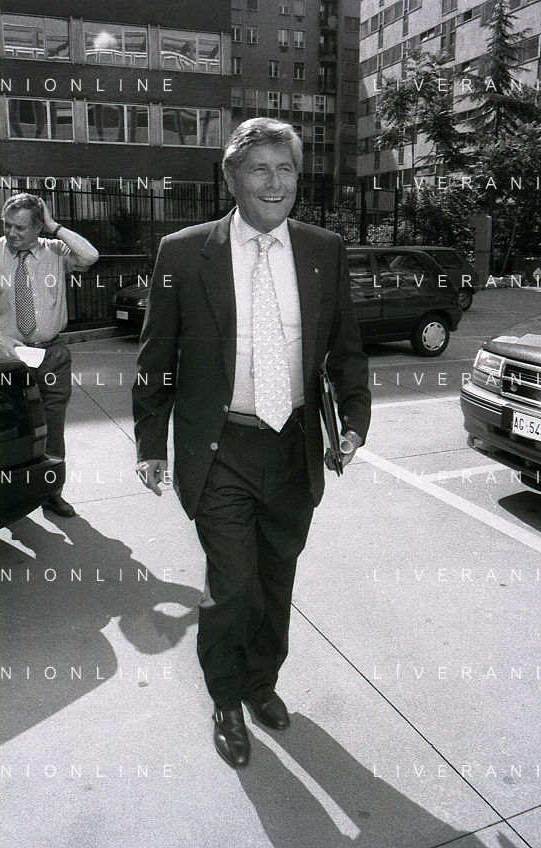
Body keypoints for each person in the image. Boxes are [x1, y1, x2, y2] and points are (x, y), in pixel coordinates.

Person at [132, 118, 371, 769]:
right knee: (233, 587)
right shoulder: (185, 253)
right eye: (259, 168)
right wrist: (150, 442)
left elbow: (347, 350)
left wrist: (353, 420)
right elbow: (156, 359)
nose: (274, 182)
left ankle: (262, 684)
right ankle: (225, 700)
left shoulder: (323, 249)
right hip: (221, 450)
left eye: (285, 168)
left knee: (274, 581)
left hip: (293, 447)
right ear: (232, 177)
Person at [0, 193, 100, 518]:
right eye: (7, 225)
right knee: (6, 429)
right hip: (6, 359)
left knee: (52, 429)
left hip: (51, 356)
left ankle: (51, 493)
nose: (12, 233)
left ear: (38, 227)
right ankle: (6, 499)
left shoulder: (56, 252)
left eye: (21, 227)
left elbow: (90, 255)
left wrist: (54, 225)